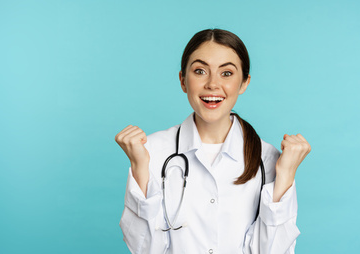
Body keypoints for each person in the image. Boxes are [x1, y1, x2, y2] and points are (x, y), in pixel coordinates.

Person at [115, 28, 311, 254]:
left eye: (226, 73)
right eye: (200, 71)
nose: (212, 84)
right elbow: (145, 249)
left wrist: (285, 175)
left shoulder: (268, 159)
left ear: (244, 82)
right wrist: (140, 168)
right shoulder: (151, 152)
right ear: (182, 80)